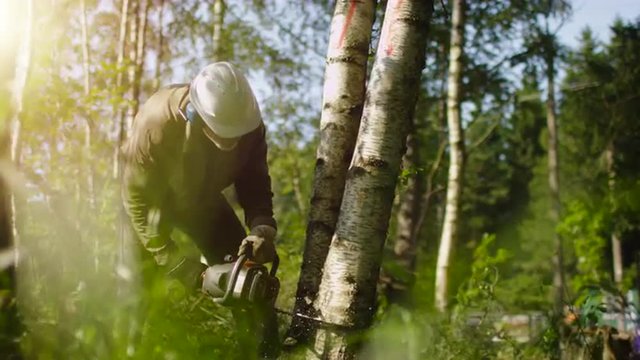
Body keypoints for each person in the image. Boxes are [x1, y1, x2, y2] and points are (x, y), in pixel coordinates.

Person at [121, 62, 280, 357]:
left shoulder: (251, 127)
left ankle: (262, 353)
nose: (232, 141)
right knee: (140, 296)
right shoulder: (157, 123)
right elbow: (137, 200)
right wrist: (182, 267)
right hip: (149, 205)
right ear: (195, 115)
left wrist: (261, 228)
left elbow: (255, 182)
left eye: (238, 134)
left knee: (248, 280)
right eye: (224, 133)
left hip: (203, 200)